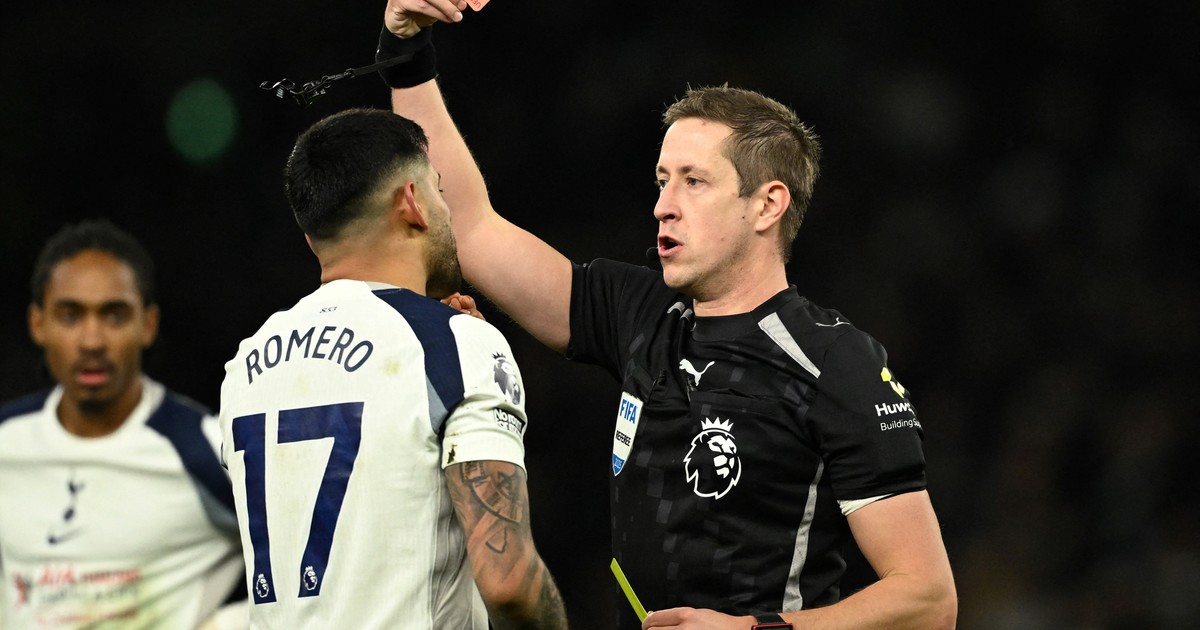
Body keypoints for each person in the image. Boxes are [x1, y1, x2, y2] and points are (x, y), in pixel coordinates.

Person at [376, 2, 958, 629]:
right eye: (662, 180)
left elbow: (928, 600)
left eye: (693, 181)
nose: (663, 205)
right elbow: (466, 225)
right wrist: (406, 53)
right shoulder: (638, 312)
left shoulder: (834, 362)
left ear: (767, 205)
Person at [216, 107, 568, 629]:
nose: (446, 209)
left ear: (312, 236)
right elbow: (508, 582)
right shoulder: (452, 344)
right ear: (412, 202)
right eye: (439, 190)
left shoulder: (245, 366)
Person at [0, 220, 247, 629]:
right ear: (37, 324)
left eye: (114, 316)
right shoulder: (7, 444)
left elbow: (309, 551)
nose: (92, 341)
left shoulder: (206, 448)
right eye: (70, 316)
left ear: (147, 325)